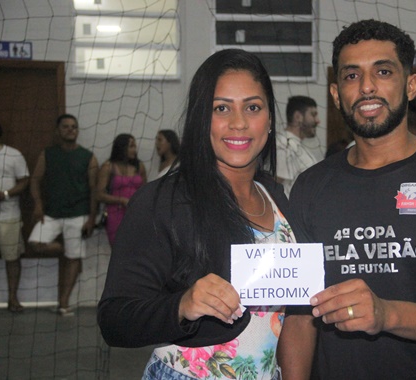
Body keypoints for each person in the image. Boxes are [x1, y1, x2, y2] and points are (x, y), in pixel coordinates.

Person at [278, 19, 416, 379]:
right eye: (352, 76)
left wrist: (385, 314)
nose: (367, 87)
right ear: (336, 94)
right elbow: (300, 318)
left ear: (410, 85)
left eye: (383, 71)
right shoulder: (310, 186)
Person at [98, 49, 300, 380]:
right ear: (200, 119)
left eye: (252, 107)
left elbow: (295, 313)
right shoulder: (161, 201)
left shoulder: (277, 198)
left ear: (270, 119)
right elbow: (114, 320)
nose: (238, 123)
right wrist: (182, 305)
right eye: (221, 108)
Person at [29, 114, 98, 316]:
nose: (70, 130)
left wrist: (92, 217)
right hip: (50, 213)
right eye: (66, 126)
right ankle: (65, 249)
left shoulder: (88, 156)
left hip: (78, 214)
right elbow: (34, 180)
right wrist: (38, 205)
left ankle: (63, 303)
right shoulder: (47, 154)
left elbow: (93, 189)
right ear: (58, 130)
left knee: (74, 258)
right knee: (35, 242)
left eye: (74, 127)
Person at [0, 119, 29, 313]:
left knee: (12, 257)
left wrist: (5, 194)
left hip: (9, 216)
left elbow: (24, 181)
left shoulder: (13, 155)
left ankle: (13, 298)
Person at [96, 134, 146, 246]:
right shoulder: (108, 166)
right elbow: (99, 194)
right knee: (119, 249)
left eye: (135, 146)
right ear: (121, 147)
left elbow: (145, 190)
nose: (134, 150)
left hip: (136, 213)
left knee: (138, 249)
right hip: (116, 213)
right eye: (131, 146)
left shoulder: (139, 166)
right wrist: (122, 200)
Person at [276, 95, 321, 196]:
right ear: (298, 117)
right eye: (313, 115)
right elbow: (275, 185)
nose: (318, 121)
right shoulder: (283, 145)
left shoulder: (295, 145)